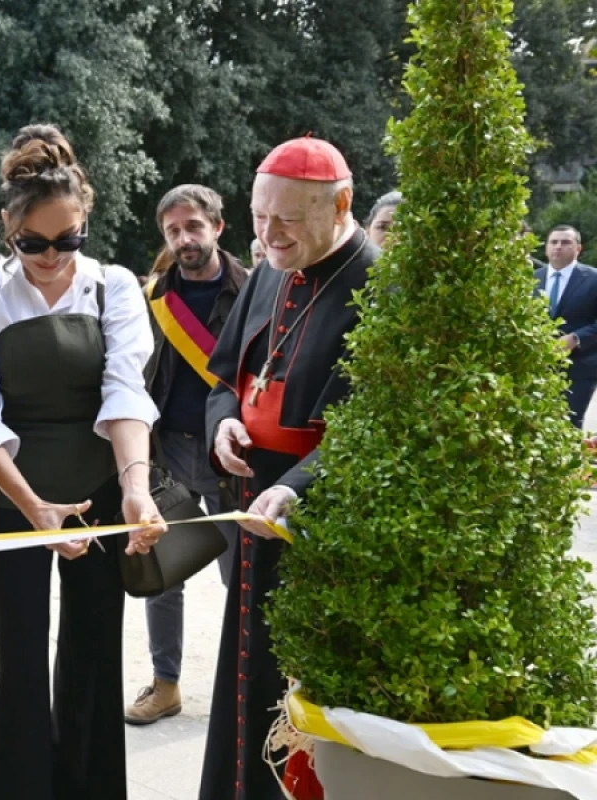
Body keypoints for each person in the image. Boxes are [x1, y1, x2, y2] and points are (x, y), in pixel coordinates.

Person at [0, 123, 166, 800]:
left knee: (95, 654)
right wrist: (34, 508)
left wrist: (135, 487)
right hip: (15, 498)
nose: (52, 257)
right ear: (7, 228)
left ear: (86, 221)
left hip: (102, 492)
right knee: (21, 661)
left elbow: (125, 390)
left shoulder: (115, 288)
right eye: (33, 243)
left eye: (67, 240)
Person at [199, 137, 379, 800]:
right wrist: (224, 420)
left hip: (317, 522)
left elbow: (372, 426)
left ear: (341, 205)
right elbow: (223, 377)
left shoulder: (378, 283)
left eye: (288, 220)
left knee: (300, 687)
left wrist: (295, 485)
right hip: (253, 504)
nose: (270, 236)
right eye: (259, 218)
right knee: (246, 675)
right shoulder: (273, 267)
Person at [125, 184, 248, 726]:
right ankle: (166, 683)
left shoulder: (254, 288)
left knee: (240, 579)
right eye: (174, 231)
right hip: (168, 452)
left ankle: (247, 687)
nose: (184, 240)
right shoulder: (152, 297)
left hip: (231, 456)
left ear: (218, 227)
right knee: (164, 575)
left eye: (194, 227)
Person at [534, 225, 597, 428]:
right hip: (537, 368)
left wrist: (576, 338)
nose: (558, 247)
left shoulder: (594, 279)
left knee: (567, 426)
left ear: (578, 248)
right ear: (546, 248)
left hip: (579, 368)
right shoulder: (531, 279)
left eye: (566, 242)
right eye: (554, 242)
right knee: (535, 425)